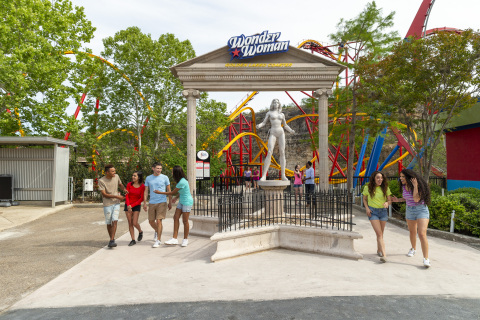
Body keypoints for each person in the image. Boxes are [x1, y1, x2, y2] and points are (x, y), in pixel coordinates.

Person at [392, 169, 432, 268]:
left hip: (421, 210)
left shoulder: (419, 186)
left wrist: (415, 186)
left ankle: (426, 259)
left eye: (403, 177)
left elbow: (416, 199)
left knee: (422, 234)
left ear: (409, 178)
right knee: (412, 232)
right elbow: (407, 198)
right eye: (400, 176)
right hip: (409, 210)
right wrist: (398, 200)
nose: (400, 178)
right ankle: (413, 249)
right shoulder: (404, 186)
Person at [256, 98, 295, 181]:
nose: (275, 103)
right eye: (274, 102)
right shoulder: (269, 113)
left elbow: (285, 125)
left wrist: (291, 130)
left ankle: (283, 175)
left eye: (277, 102)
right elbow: (264, 122)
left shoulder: (282, 114)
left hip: (281, 132)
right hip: (273, 132)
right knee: (269, 151)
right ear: (272, 104)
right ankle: (264, 175)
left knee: (282, 152)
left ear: (279, 104)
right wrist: (259, 125)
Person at [156, 166, 194, 247]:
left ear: (176, 173)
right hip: (181, 201)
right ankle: (174, 238)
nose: (172, 173)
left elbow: (171, 192)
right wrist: (176, 198)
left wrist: (160, 192)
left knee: (185, 221)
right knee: (175, 217)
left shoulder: (182, 182)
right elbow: (181, 191)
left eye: (173, 171)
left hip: (187, 202)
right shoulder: (180, 181)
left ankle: (185, 239)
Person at [362, 171, 392, 263]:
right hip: (373, 212)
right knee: (379, 234)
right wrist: (367, 208)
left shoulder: (385, 188)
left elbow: (390, 200)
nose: (380, 179)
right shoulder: (368, 187)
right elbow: (364, 198)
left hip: (383, 212)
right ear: (374, 179)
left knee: (380, 234)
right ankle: (384, 255)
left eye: (381, 178)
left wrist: (387, 203)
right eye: (378, 178)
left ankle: (379, 250)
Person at [143, 163, 172, 248]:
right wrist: (144, 203)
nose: (159, 170)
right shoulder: (148, 178)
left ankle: (158, 240)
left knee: (159, 221)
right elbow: (146, 191)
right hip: (152, 202)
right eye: (157, 168)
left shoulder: (165, 177)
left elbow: (169, 190)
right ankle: (157, 230)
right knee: (151, 221)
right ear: (153, 168)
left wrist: (170, 202)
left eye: (160, 168)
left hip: (162, 202)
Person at [98, 164, 125, 248]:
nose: (114, 172)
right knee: (109, 222)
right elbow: (104, 194)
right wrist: (117, 196)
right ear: (107, 172)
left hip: (116, 203)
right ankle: (111, 239)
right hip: (107, 204)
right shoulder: (101, 181)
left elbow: (120, 184)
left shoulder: (116, 176)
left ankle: (112, 240)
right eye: (112, 171)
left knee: (115, 220)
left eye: (114, 171)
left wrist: (124, 189)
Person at [124, 171, 145, 246]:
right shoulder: (129, 184)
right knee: (130, 223)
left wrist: (132, 206)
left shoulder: (142, 186)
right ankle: (133, 239)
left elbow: (141, 198)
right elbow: (127, 195)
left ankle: (140, 231)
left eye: (135, 176)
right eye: (132, 175)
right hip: (128, 204)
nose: (133, 177)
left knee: (134, 222)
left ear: (139, 177)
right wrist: (129, 205)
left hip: (136, 205)